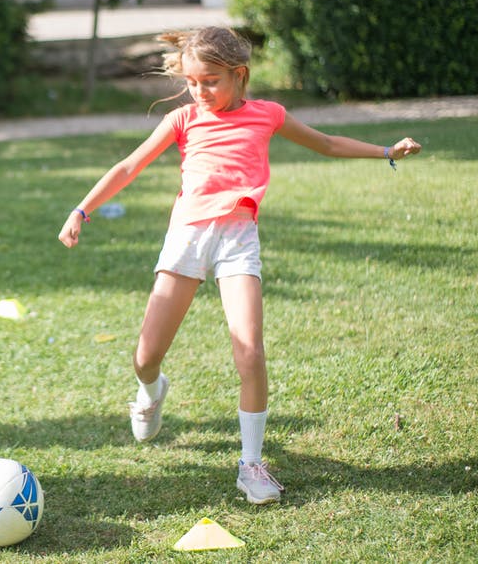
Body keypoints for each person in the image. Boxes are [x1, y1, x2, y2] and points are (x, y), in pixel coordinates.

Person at [57, 26, 422, 505]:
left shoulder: (268, 115)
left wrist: (385, 152)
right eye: (192, 81)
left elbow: (328, 143)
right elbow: (129, 166)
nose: (199, 91)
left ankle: (251, 464)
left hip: (237, 240)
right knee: (145, 357)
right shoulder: (184, 119)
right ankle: (151, 392)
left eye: (209, 81)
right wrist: (81, 209)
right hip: (187, 239)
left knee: (250, 352)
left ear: (239, 75)